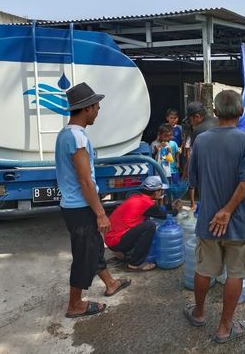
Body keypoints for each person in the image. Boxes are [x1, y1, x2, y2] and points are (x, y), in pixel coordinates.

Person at [185, 90, 245, 344]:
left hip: (208, 219)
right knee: (235, 274)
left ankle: (198, 313)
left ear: (215, 113)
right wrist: (228, 210)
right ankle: (224, 328)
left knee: (204, 269)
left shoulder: (201, 140)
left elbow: (192, 180)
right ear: (241, 112)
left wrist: (216, 208)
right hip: (238, 222)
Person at [55, 82, 130, 319]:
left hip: (75, 205)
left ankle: (110, 283)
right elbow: (85, 181)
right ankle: (75, 304)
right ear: (86, 108)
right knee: (84, 256)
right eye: (96, 106)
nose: (98, 110)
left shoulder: (66, 134)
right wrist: (100, 213)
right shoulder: (77, 138)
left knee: (95, 247)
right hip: (80, 207)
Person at [105, 176, 170, 272]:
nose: (162, 193)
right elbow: (164, 215)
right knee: (150, 225)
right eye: (161, 190)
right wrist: (176, 209)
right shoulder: (148, 203)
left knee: (143, 221)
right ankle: (135, 263)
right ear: (156, 192)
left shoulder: (137, 198)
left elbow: (158, 211)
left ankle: (123, 253)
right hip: (116, 241)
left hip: (110, 238)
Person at [183, 101, 218, 209]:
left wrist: (188, 171)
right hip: (225, 170)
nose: (190, 122)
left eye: (190, 119)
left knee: (209, 206)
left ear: (197, 116)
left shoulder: (198, 131)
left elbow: (196, 156)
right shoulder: (217, 121)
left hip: (209, 173)